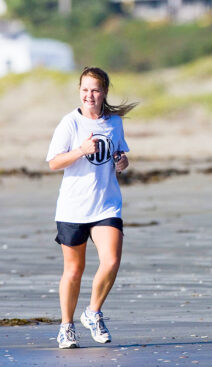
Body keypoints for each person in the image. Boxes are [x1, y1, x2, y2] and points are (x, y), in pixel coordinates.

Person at [46, 67, 137, 348]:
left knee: (111, 261)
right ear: (79, 91)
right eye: (85, 90)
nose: (90, 95)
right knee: (74, 270)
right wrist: (80, 151)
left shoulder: (114, 123)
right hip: (73, 207)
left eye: (95, 90)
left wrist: (122, 162)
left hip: (107, 204)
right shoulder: (70, 124)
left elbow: (119, 155)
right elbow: (53, 163)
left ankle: (93, 311)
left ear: (104, 92)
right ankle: (66, 327)